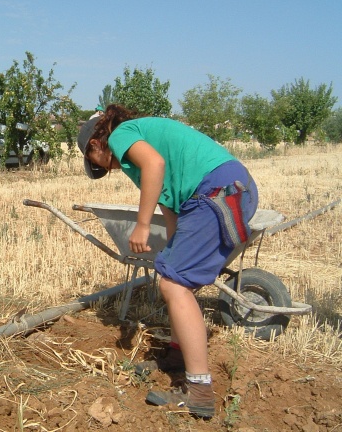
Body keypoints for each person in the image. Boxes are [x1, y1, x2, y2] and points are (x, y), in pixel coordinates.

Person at [77, 104, 258, 418]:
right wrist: (173, 257)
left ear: (96, 144)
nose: (108, 170)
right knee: (174, 278)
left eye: (98, 164)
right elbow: (172, 211)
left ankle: (199, 392)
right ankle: (176, 355)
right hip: (222, 191)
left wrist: (143, 225)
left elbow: (155, 165)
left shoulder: (121, 135)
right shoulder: (143, 144)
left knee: (173, 285)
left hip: (217, 191)